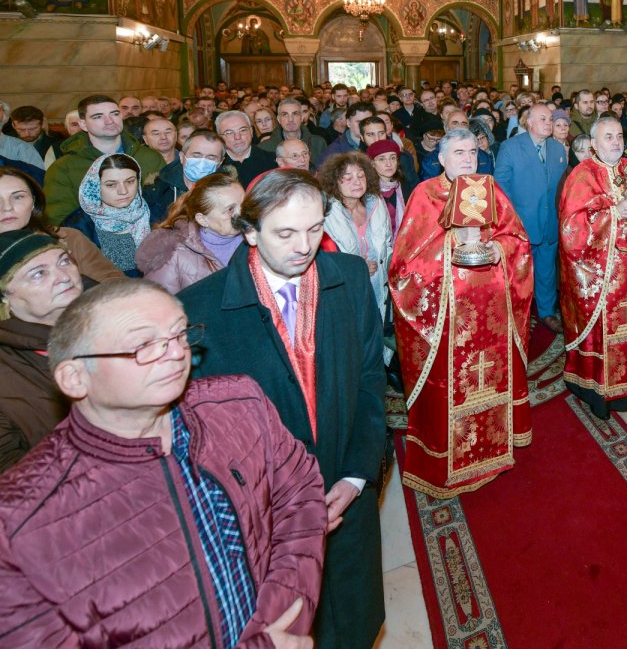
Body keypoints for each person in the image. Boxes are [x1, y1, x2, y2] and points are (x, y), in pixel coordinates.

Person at [0, 279, 327, 646]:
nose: (175, 353)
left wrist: (283, 619)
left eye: (178, 334)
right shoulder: (17, 520)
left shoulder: (240, 403)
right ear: (75, 378)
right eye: (143, 345)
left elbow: (299, 500)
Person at [179, 169, 386, 648]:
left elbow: (370, 382)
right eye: (285, 233)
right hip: (268, 517)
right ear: (250, 231)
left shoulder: (350, 277)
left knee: (351, 621)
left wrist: (356, 477)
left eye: (314, 229)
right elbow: (205, 439)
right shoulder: (198, 310)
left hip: (344, 489)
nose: (304, 246)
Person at [390, 129, 534, 496]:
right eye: (458, 153)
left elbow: (517, 239)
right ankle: (446, 461)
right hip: (447, 316)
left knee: (491, 378)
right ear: (441, 159)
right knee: (449, 387)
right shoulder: (426, 194)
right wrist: (454, 241)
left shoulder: (490, 189)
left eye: (472, 151)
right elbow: (406, 264)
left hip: (493, 311)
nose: (468, 158)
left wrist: (496, 248)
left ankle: (493, 450)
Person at [559, 116, 627, 418]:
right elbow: (571, 227)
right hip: (601, 271)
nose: (616, 142)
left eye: (619, 136)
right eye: (608, 137)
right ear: (593, 143)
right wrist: (613, 214)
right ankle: (599, 391)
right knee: (604, 329)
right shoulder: (582, 175)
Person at [0, 231, 81, 471]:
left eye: (64, 261)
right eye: (38, 274)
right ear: (4, 297)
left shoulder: (114, 321)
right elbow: (13, 477)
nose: (63, 277)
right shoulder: (8, 370)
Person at [494, 104, 569, 332]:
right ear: (529, 122)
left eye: (550, 119)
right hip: (521, 224)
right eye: (543, 119)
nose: (549, 123)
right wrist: (512, 220)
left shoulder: (557, 148)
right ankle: (520, 314)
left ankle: (547, 312)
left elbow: (562, 187)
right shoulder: (510, 147)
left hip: (550, 223)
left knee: (547, 272)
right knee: (520, 274)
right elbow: (501, 186)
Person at [45, 95, 165, 223]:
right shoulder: (63, 168)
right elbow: (60, 219)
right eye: (98, 116)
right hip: (91, 234)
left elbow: (167, 203)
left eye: (114, 114)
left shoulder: (150, 157)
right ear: (83, 124)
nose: (110, 121)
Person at [0, 167, 124, 282]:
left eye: (18, 197)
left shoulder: (69, 238)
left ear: (34, 202)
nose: (7, 207)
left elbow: (115, 283)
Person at [136, 172, 245, 293]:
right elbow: (156, 302)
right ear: (202, 220)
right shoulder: (171, 256)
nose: (243, 213)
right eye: (230, 209)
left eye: (245, 204)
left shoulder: (256, 238)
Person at [317, 153, 392, 320]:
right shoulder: (326, 213)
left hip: (379, 288)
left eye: (361, 175)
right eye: (348, 177)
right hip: (345, 291)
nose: (357, 182)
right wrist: (357, 267)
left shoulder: (376, 203)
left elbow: (387, 244)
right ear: (334, 181)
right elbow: (323, 260)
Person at [62, 154, 161, 277]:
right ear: (95, 186)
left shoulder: (157, 212)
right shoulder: (77, 226)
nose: (123, 191)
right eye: (111, 185)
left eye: (130, 181)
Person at [216, 110, 276, 186]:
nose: (237, 137)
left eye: (243, 130)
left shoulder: (273, 161)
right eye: (229, 133)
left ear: (251, 131)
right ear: (219, 137)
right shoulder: (215, 167)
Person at [367, 138, 406, 228]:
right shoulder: (367, 191)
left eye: (392, 158)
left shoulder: (404, 187)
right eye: (381, 159)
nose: (389, 164)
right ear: (372, 163)